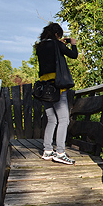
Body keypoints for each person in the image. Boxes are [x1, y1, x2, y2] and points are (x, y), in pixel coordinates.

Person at [35, 22, 78, 165]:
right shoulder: (57, 45)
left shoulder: (40, 47)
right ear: (56, 34)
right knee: (64, 120)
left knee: (51, 119)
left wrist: (59, 43)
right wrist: (72, 43)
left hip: (44, 87)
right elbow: (73, 55)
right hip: (57, 87)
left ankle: (47, 150)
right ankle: (60, 152)